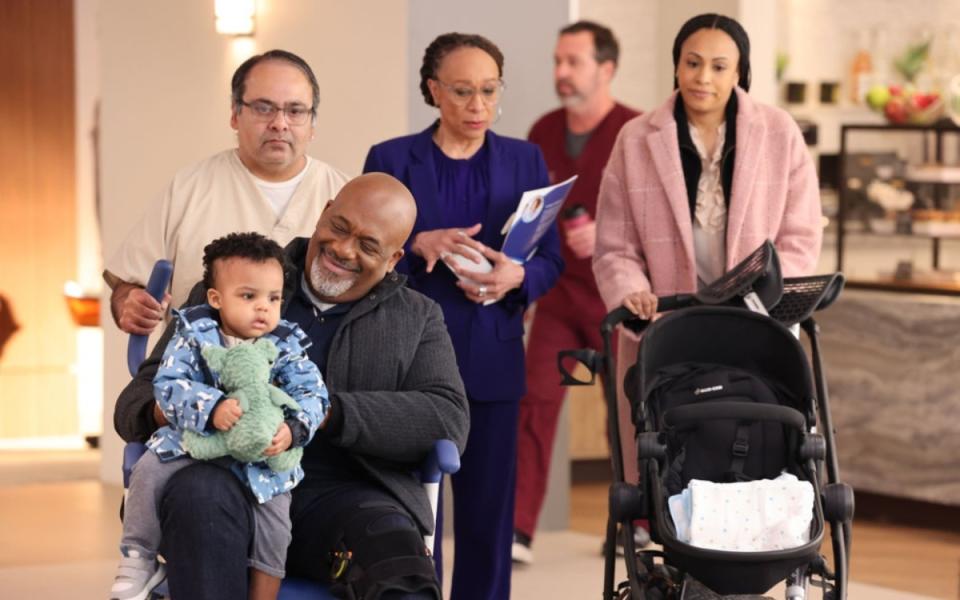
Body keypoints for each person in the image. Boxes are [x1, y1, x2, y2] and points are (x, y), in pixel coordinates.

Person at [114, 173, 470, 600]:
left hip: (350, 498)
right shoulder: (239, 283)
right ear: (324, 213)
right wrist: (200, 407)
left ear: (394, 259)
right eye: (339, 227)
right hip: (229, 482)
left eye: (368, 245)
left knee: (400, 567)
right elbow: (135, 399)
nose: (343, 249)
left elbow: (447, 419)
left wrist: (323, 413)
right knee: (198, 495)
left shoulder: (417, 317)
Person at [362, 33, 563, 600]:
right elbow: (359, 254)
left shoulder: (525, 159)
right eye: (463, 91)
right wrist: (417, 241)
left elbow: (552, 260)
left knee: (487, 521)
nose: (479, 106)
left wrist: (517, 277)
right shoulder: (391, 159)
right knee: (413, 518)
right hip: (408, 366)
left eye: (489, 91)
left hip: (493, 355)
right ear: (434, 91)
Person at [593, 14, 822, 493]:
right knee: (662, 441)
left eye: (719, 67)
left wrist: (766, 298)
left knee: (758, 431)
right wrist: (632, 292)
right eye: (692, 63)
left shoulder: (779, 133)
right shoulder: (635, 139)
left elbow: (800, 236)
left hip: (757, 323)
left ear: (739, 73)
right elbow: (614, 244)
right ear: (676, 66)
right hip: (667, 325)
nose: (703, 77)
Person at [110, 232, 327, 600]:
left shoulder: (286, 343)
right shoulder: (194, 333)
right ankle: (139, 558)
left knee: (277, 528)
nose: (263, 308)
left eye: (273, 298)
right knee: (147, 470)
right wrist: (210, 407)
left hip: (262, 455)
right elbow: (168, 384)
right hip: (196, 444)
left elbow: (315, 394)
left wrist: (292, 429)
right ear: (216, 298)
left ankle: (264, 594)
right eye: (249, 296)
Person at [104, 49, 350, 336]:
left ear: (313, 123)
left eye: (295, 111)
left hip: (312, 378)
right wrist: (130, 304)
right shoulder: (188, 189)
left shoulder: (345, 196)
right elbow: (127, 285)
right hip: (200, 376)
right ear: (235, 114)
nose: (280, 123)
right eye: (263, 107)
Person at [511, 21, 640, 565]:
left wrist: (608, 233)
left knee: (631, 414)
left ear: (606, 69)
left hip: (622, 299)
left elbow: (657, 221)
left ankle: (638, 524)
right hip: (560, 295)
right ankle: (517, 529)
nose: (561, 73)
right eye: (557, 61)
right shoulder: (542, 130)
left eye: (573, 62)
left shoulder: (637, 132)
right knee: (533, 402)